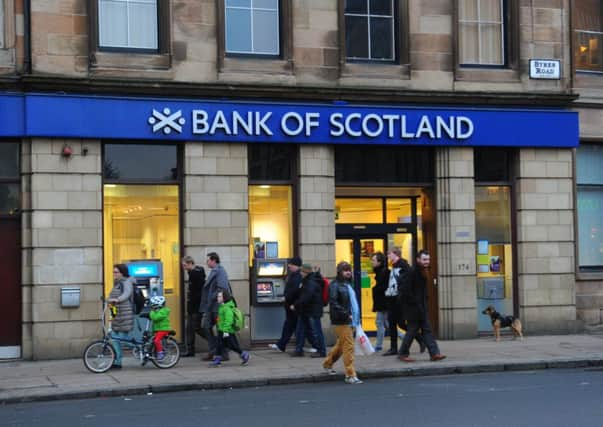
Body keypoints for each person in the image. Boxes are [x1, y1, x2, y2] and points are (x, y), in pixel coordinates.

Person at [398, 250, 446, 363]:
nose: (427, 262)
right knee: (412, 331)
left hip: (421, 308)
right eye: (424, 259)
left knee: (427, 331)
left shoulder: (423, 271)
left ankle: (434, 354)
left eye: (428, 259)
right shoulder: (412, 272)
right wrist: (414, 303)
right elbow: (405, 290)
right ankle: (403, 353)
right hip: (413, 309)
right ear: (418, 259)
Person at [322, 261, 363, 385]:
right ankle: (350, 375)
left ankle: (327, 364)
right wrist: (346, 314)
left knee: (341, 345)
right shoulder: (335, 285)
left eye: (349, 270)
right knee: (349, 347)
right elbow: (333, 303)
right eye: (345, 270)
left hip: (350, 320)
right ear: (339, 272)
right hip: (342, 320)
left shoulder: (348, 284)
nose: (348, 272)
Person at [198, 252, 231, 361]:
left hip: (217, 307)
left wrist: (211, 297)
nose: (206, 262)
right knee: (206, 327)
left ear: (213, 260)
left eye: (208, 260)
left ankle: (223, 352)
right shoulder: (214, 271)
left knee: (220, 330)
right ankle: (214, 350)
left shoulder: (220, 271)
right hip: (211, 307)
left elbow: (222, 288)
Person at [291, 264, 326, 358]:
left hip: (313, 310)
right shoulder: (308, 280)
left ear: (306, 272)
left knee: (317, 331)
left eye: (302, 271)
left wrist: (295, 304)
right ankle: (299, 349)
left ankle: (322, 351)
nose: (300, 273)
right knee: (301, 329)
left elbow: (306, 296)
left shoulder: (311, 282)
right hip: (306, 310)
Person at [269, 257, 303, 353]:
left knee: (295, 327)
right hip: (290, 305)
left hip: (294, 305)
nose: (289, 266)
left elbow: (295, 290)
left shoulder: (298, 276)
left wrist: (287, 298)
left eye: (291, 264)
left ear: (296, 265)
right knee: (290, 326)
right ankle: (282, 345)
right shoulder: (293, 275)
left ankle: (301, 347)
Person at [107, 264, 136, 369]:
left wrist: (117, 299)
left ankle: (140, 347)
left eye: (116, 272)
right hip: (117, 315)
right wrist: (108, 300)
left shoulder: (127, 282)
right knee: (115, 339)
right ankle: (118, 362)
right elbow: (111, 295)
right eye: (113, 272)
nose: (114, 274)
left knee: (122, 339)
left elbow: (126, 294)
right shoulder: (117, 284)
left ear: (122, 273)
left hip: (125, 315)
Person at [382, 247, 411, 356]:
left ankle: (419, 337)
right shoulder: (394, 266)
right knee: (392, 323)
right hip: (392, 299)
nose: (388, 256)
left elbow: (404, 282)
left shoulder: (403, 266)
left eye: (389, 254)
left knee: (400, 323)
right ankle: (393, 348)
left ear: (395, 254)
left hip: (399, 300)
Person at [210, 290, 250, 367]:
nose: (217, 298)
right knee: (219, 345)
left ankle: (244, 354)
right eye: (218, 296)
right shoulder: (222, 307)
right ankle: (217, 360)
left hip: (227, 331)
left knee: (233, 346)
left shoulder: (227, 308)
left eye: (219, 296)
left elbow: (229, 320)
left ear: (224, 298)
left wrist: (225, 330)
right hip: (222, 330)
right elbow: (221, 319)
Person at [181, 256, 206, 357]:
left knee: (196, 328)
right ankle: (190, 350)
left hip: (196, 307)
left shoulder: (195, 274)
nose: (184, 267)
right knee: (189, 329)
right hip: (193, 307)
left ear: (190, 263)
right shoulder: (193, 273)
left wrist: (193, 302)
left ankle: (215, 341)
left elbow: (198, 292)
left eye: (185, 265)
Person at [371, 252, 389, 352]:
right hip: (382, 303)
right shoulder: (379, 272)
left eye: (373, 260)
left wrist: (375, 289)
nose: (372, 262)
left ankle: (408, 338)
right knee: (384, 323)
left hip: (384, 303)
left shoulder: (384, 272)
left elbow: (384, 288)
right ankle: (378, 345)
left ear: (379, 262)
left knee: (383, 323)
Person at [148, 295, 171, 361]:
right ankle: (155, 352)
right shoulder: (160, 311)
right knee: (153, 340)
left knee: (156, 340)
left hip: (163, 329)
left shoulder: (163, 311)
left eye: (153, 304)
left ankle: (160, 353)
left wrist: (151, 312)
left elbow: (155, 318)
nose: (152, 306)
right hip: (159, 329)